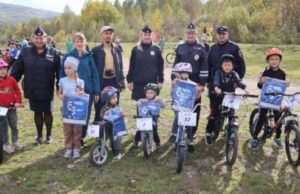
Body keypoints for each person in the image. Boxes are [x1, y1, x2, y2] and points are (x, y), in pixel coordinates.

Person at [11, 26, 61, 145]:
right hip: (32, 88)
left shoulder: (54, 53)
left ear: (45, 38)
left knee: (48, 112)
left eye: (41, 38)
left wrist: (60, 87)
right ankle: (39, 136)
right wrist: (9, 85)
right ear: (33, 38)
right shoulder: (25, 52)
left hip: (47, 89)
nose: (39, 40)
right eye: (37, 38)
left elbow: (60, 72)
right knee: (37, 113)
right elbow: (16, 71)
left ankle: (48, 136)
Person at [62, 32, 100, 147]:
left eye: (81, 41)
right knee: (73, 115)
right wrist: (62, 89)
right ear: (73, 43)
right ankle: (72, 140)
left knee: (85, 115)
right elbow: (61, 73)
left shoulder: (89, 56)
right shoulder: (68, 56)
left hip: (87, 90)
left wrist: (96, 91)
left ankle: (81, 138)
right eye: (77, 41)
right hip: (71, 92)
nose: (79, 43)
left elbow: (94, 74)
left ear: (85, 42)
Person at [173, 22, 208, 138]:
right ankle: (178, 132)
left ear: (196, 34)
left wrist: (202, 85)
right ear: (185, 34)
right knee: (180, 107)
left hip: (195, 84)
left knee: (194, 110)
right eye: (188, 33)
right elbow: (175, 65)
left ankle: (191, 134)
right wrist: (174, 78)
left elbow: (204, 68)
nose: (190, 35)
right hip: (181, 84)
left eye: (193, 33)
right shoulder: (180, 47)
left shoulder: (201, 48)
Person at [250, 48, 289, 150]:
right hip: (265, 99)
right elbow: (259, 86)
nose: (274, 61)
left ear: (279, 60)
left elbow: (282, 88)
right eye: (271, 59)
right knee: (262, 117)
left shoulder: (282, 73)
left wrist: (287, 84)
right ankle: (254, 137)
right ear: (268, 60)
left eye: (276, 59)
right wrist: (261, 81)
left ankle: (277, 136)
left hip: (276, 100)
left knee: (279, 119)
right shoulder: (265, 72)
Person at [205, 54, 249, 145]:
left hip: (230, 97)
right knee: (214, 114)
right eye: (225, 65)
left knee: (231, 114)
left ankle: (230, 129)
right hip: (218, 97)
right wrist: (216, 88)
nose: (227, 67)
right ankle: (208, 132)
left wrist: (245, 88)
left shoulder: (234, 74)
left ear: (232, 66)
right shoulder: (218, 72)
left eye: (229, 65)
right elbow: (216, 81)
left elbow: (239, 82)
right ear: (221, 65)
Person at [92, 26, 125, 122]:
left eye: (110, 33)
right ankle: (100, 130)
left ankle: (113, 130)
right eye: (106, 33)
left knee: (114, 105)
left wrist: (121, 80)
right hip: (101, 82)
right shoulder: (95, 50)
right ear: (102, 35)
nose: (108, 36)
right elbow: (93, 70)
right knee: (99, 106)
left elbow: (120, 66)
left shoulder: (117, 50)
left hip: (114, 81)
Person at [127, 25, 164, 101]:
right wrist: (129, 81)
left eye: (149, 35)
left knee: (152, 109)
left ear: (152, 36)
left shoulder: (157, 50)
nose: (147, 37)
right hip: (138, 84)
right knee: (140, 109)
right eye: (145, 35)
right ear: (141, 36)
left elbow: (161, 67)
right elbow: (131, 66)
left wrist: (160, 81)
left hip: (152, 84)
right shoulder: (135, 49)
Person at [169, 62, 200, 152]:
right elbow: (172, 93)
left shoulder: (192, 84)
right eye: (178, 73)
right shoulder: (176, 82)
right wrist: (173, 86)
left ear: (187, 74)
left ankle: (190, 141)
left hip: (187, 107)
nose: (176, 75)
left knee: (189, 123)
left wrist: (197, 92)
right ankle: (174, 134)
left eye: (185, 73)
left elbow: (196, 97)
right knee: (178, 117)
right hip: (178, 105)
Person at [58, 56, 85, 158]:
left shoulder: (80, 82)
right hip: (66, 109)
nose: (67, 70)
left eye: (70, 68)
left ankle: (77, 148)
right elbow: (59, 93)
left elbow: (83, 93)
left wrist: (81, 93)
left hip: (77, 110)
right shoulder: (62, 81)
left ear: (75, 69)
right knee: (67, 129)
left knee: (77, 129)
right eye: (65, 68)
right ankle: (69, 148)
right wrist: (61, 96)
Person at [0, 59, 23, 154]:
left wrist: (18, 101)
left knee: (14, 125)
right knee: (3, 126)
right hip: (1, 109)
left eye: (4, 68)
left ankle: (15, 141)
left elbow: (18, 92)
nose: (2, 71)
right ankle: (5, 144)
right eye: (0, 69)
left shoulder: (11, 80)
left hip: (12, 107)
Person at [133, 83, 165, 150]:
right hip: (143, 119)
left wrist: (160, 100)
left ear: (155, 94)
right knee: (138, 131)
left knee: (154, 131)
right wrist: (140, 101)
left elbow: (163, 105)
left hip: (153, 119)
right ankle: (135, 142)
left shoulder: (157, 101)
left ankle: (157, 143)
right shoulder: (142, 101)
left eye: (151, 93)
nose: (149, 94)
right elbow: (136, 104)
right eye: (147, 92)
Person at [100, 86, 124, 159]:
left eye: (116, 97)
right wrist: (105, 113)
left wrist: (122, 114)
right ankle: (101, 147)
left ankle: (117, 152)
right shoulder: (105, 107)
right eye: (113, 98)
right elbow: (101, 115)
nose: (116, 99)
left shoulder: (116, 106)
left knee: (116, 139)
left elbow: (120, 114)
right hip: (106, 125)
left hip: (115, 126)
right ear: (107, 99)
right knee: (102, 137)